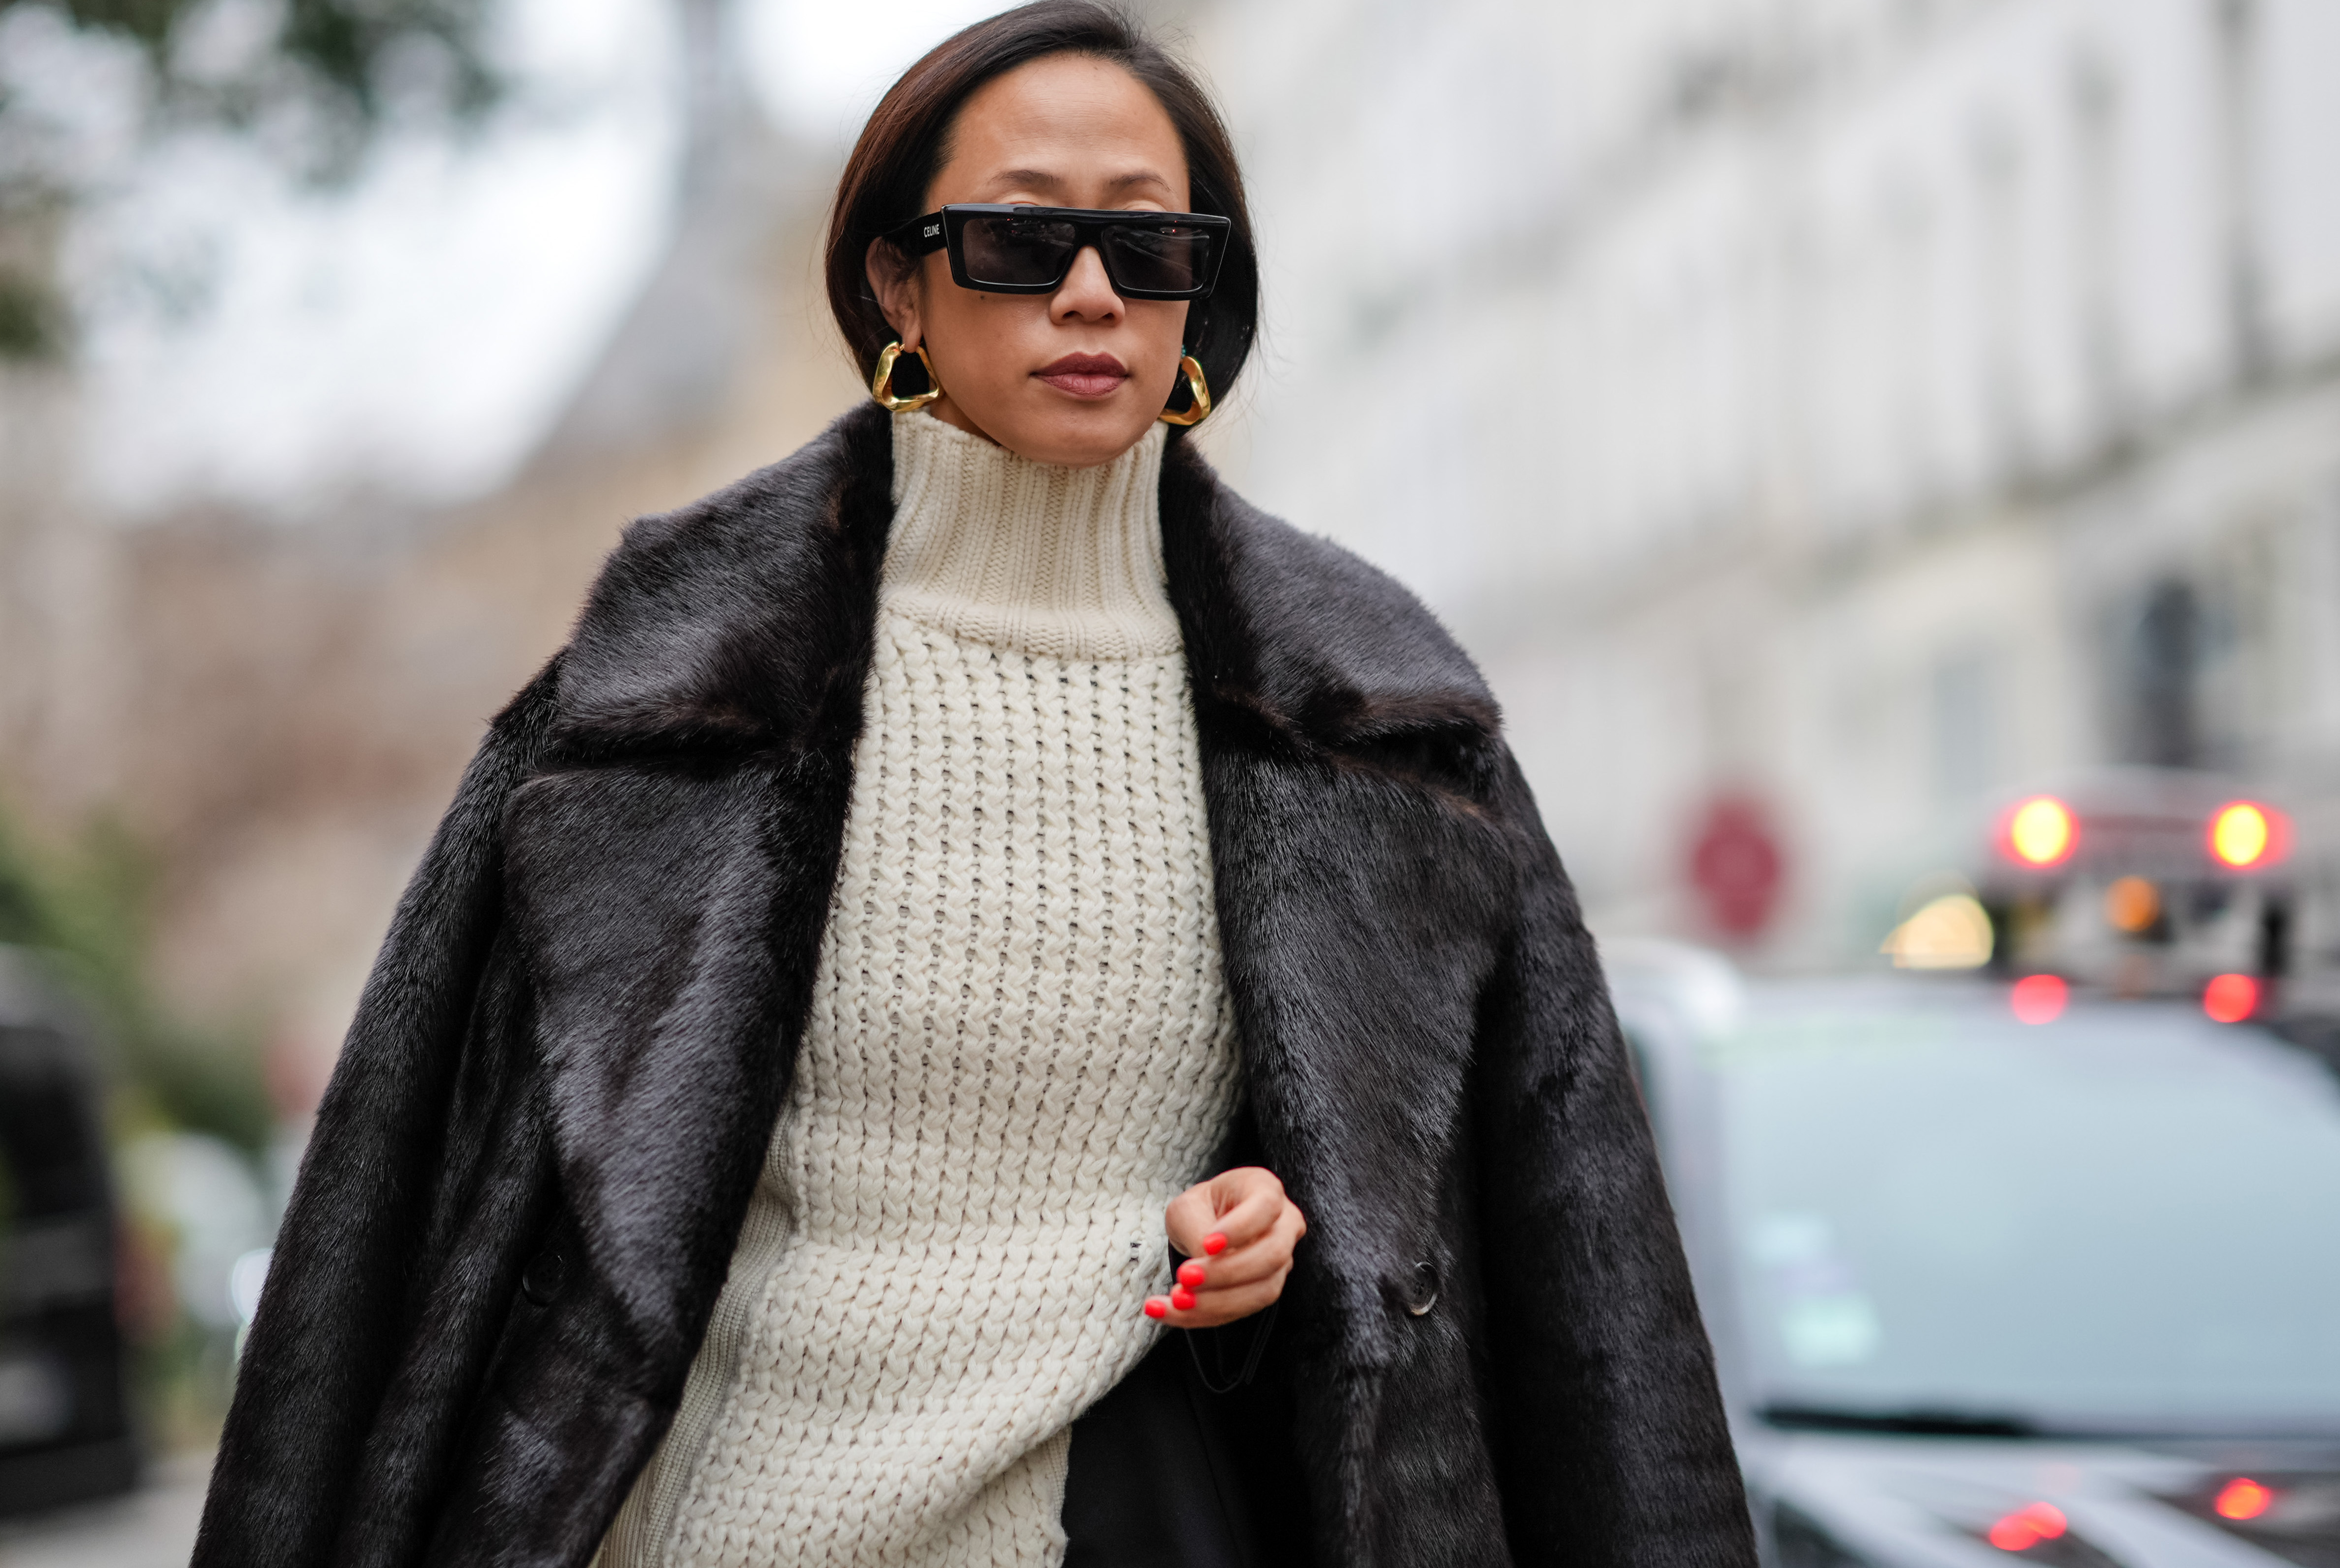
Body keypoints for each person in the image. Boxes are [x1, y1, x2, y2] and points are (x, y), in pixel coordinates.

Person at [192, 5, 1755, 1566]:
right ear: (898, 282)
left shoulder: (1371, 724)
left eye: (1149, 248)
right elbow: (381, 1241)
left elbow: (1593, 1306)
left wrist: (1259, 1243)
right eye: (1017, 239)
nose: (1090, 292)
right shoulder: (661, 697)